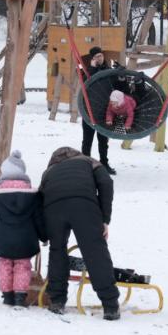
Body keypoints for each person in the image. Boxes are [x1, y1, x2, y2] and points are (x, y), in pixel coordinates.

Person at [39, 147, 120, 320]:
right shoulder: (89, 162)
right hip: (84, 205)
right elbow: (106, 182)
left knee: (57, 250)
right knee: (94, 251)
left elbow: (39, 199)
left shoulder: (49, 172)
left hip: (54, 209)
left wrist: (45, 233)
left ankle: (57, 301)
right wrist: (104, 218)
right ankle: (110, 305)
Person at [0, 150, 46, 308]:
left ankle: (8, 296)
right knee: (23, 266)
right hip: (26, 241)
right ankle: (20, 297)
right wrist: (44, 237)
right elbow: (38, 220)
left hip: (3, 241)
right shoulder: (32, 196)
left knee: (4, 265)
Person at [81, 46, 116, 175]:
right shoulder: (87, 71)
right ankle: (85, 164)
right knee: (87, 140)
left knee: (103, 140)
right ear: (92, 59)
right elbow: (85, 82)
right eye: (96, 57)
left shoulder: (108, 70)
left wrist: (120, 73)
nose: (99, 58)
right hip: (89, 111)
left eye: (100, 56)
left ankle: (104, 163)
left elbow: (116, 84)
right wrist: (92, 68)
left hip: (104, 112)